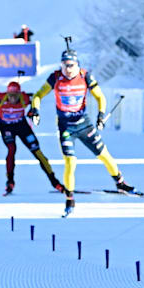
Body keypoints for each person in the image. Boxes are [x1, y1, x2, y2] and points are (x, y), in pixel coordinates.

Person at [30, 49, 133, 216]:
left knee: (104, 155)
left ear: (77, 65)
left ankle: (120, 183)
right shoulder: (55, 77)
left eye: (70, 65)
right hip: (66, 127)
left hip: (84, 125)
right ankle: (69, 198)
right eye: (64, 65)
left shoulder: (85, 76)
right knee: (71, 162)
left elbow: (100, 97)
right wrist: (35, 110)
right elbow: (37, 95)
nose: (67, 69)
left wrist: (100, 115)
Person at [0, 81, 64, 195]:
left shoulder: (25, 98)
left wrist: (33, 110)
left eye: (15, 95)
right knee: (11, 149)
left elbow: (36, 98)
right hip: (6, 127)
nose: (13, 98)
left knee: (37, 152)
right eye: (10, 95)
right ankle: (10, 181)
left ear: (19, 94)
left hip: (22, 126)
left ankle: (55, 182)